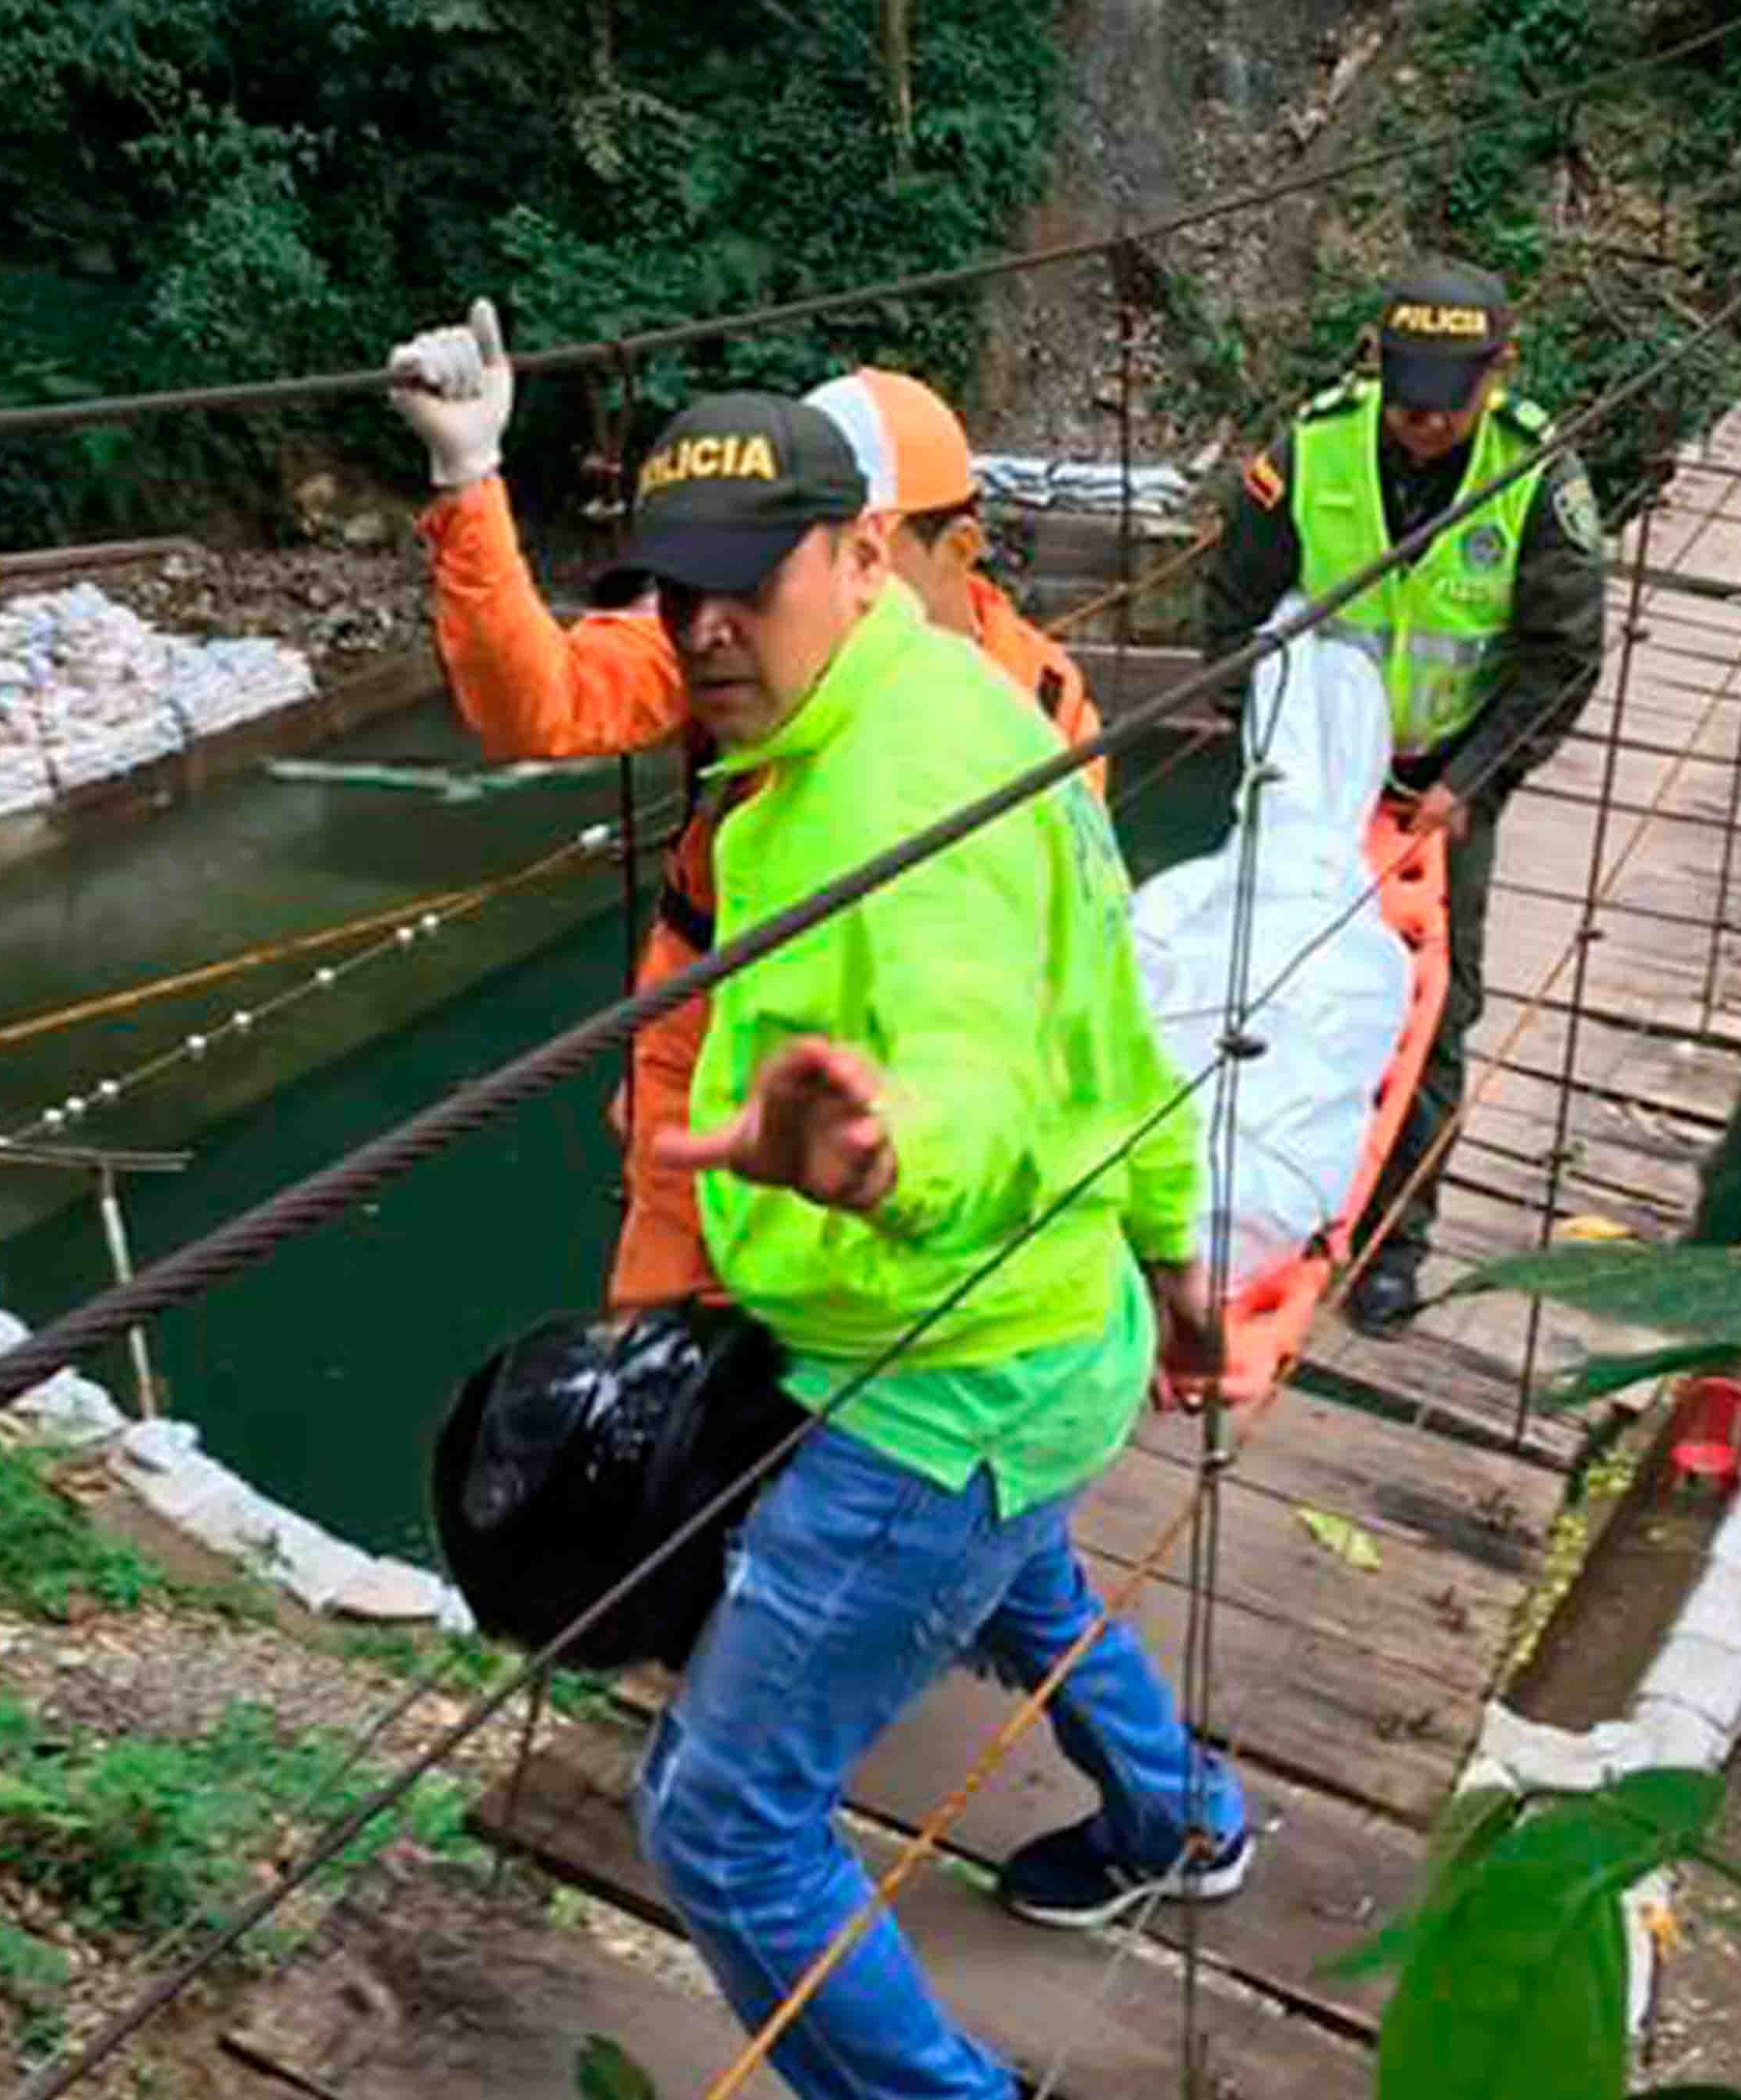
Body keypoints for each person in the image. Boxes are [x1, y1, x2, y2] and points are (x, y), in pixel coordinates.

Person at [607, 388, 1250, 2100]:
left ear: (860, 550)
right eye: (676, 589)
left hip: (932, 1373)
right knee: (1021, 1576)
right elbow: (1106, 1018)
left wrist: (889, 1171)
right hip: (1054, 1332)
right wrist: (1179, 1276)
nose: (706, 627)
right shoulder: (963, 708)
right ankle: (1186, 1814)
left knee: (722, 1818)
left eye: (750, 580)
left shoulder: (890, 808)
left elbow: (960, 1071)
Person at [385, 301, 1103, 1314]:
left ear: (940, 548)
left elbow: (1062, 964)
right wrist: (470, 478)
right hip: (715, 1042)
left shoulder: (1040, 708)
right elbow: (538, 701)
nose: (786, 595)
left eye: (845, 552)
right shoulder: (730, 644)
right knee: (666, 1352)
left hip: (907, 1081)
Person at [1201, 258, 1606, 1337]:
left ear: (1499, 373)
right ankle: (1251, 1213)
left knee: (1438, 1010)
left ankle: (1391, 1241)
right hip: (1314, 775)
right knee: (1264, 984)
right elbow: (1231, 618)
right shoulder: (1310, 452)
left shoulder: (1534, 476)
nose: (1423, 424)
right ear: (1375, 365)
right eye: (1408, 397)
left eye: (1448, 403)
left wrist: (1475, 781)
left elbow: (1562, 656)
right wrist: (1280, 753)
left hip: (1448, 777)